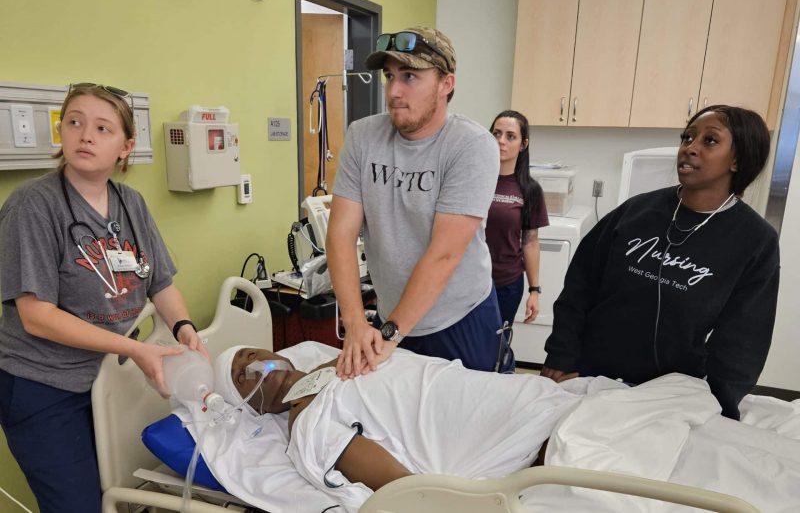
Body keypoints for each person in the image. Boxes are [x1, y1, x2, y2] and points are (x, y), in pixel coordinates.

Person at [211, 344, 800, 513]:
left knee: (730, 444)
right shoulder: (306, 424)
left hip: (536, 399)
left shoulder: (335, 358)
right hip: (534, 441)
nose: (249, 362)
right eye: (240, 374)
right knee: (735, 478)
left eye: (249, 352)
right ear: (252, 405)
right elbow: (401, 487)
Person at [0, 83, 207, 513]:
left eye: (102, 127)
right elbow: (36, 315)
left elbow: (160, 283)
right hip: (43, 384)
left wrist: (184, 327)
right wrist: (134, 348)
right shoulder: (33, 207)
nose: (85, 135)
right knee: (76, 505)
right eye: (74, 122)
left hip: (107, 378)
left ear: (126, 147)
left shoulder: (130, 203)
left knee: (120, 485)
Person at [541, 105, 780, 420]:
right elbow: (579, 288)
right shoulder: (635, 213)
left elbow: (744, 340)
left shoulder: (754, 240)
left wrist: (719, 408)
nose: (689, 148)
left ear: (738, 159)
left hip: (669, 398)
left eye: (709, 141)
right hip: (587, 376)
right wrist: (560, 356)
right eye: (687, 137)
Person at [327, 27, 502, 378]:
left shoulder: (472, 146)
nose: (394, 91)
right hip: (391, 315)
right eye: (389, 76)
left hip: (459, 319)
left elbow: (444, 254)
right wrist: (356, 323)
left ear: (445, 84)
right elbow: (339, 235)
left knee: (459, 427)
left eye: (410, 76)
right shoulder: (363, 137)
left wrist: (390, 333)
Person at [486, 110, 548, 372]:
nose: (501, 140)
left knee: (497, 343)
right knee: (470, 343)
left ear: (523, 145)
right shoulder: (473, 180)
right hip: (469, 280)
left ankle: (502, 379)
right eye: (497, 133)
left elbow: (530, 241)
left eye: (510, 136)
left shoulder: (529, 190)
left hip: (506, 283)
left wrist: (535, 290)